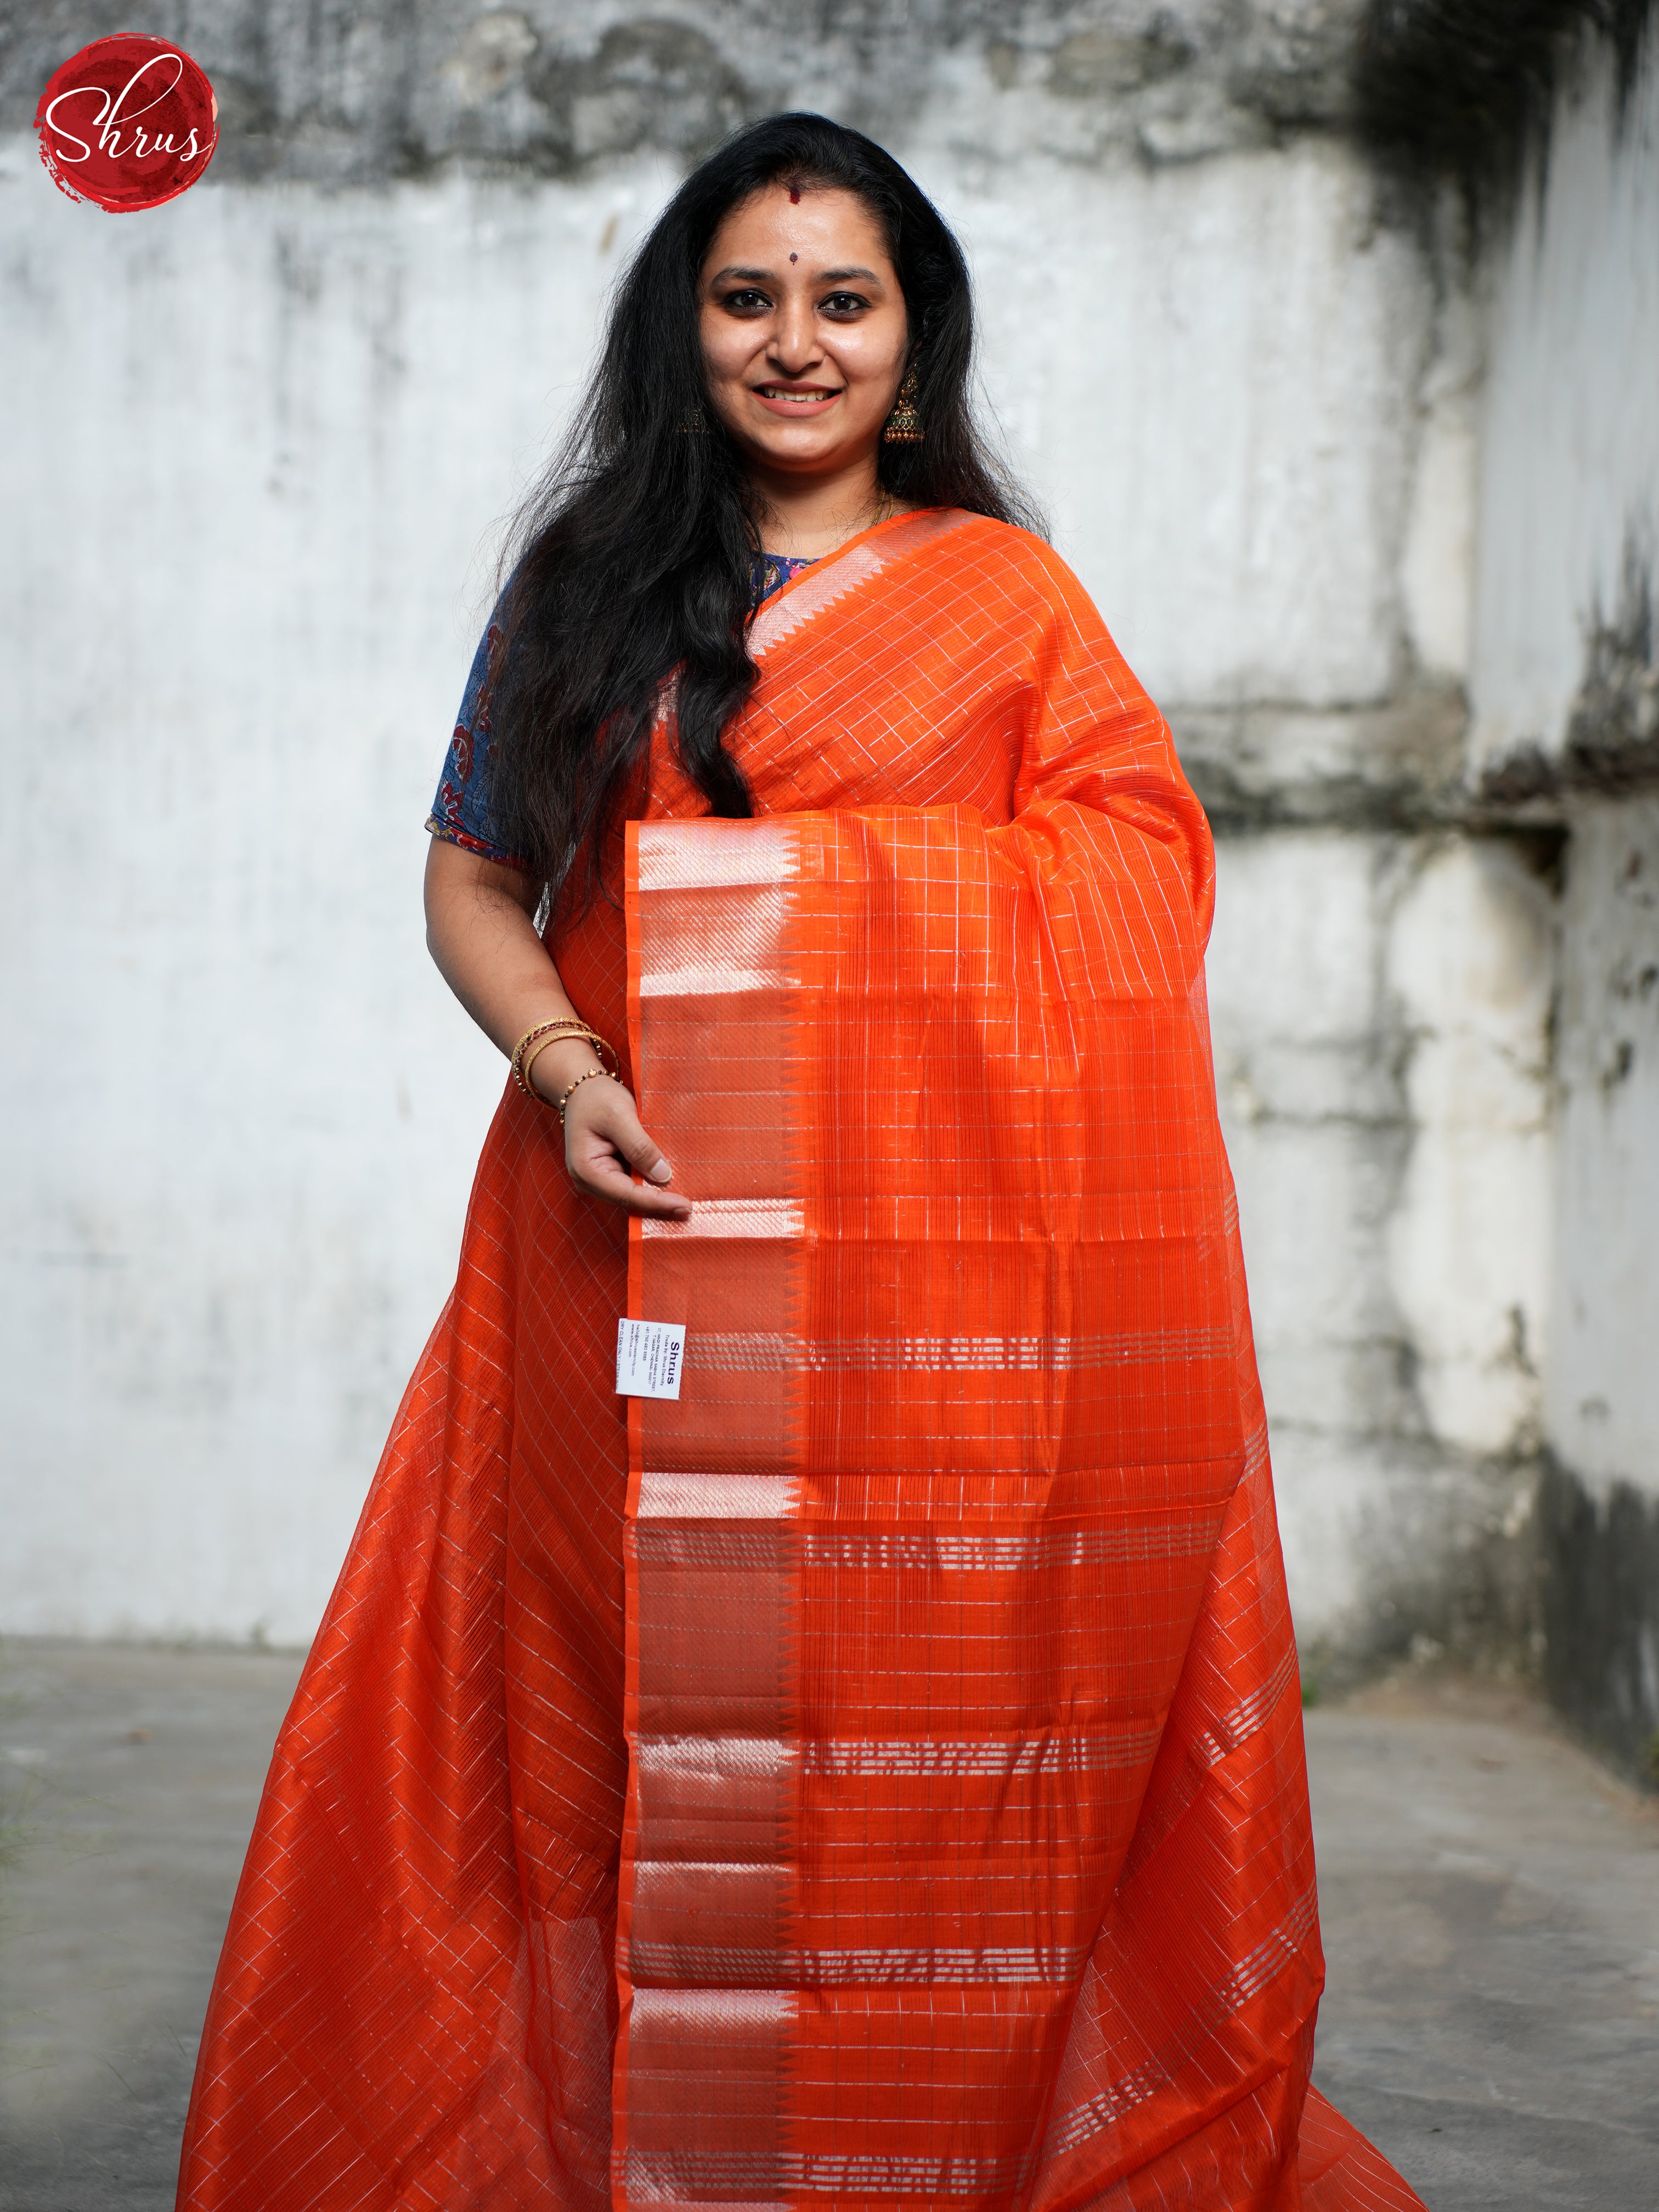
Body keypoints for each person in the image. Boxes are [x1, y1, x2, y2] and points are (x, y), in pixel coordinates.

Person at [178, 114, 1427, 2212]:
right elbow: (473, 876)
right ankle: (604, 2139)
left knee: (884, 1713)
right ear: (687, 334)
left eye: (842, 301)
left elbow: (1135, 881)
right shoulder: (592, 587)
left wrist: (802, 916)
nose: (794, 342)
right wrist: (570, 1058)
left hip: (916, 1308)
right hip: (616, 1244)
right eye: (747, 299)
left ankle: (900, 2134)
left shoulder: (1009, 604)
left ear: (913, 349)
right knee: (620, 1704)